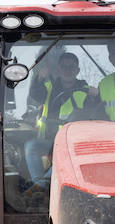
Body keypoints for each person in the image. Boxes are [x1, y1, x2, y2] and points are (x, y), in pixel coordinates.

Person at [24, 52, 99, 182]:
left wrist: (98, 96)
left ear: (78, 70)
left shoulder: (86, 91)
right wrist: (40, 78)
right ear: (58, 69)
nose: (67, 70)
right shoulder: (48, 88)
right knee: (31, 146)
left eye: (71, 67)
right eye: (64, 67)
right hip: (50, 141)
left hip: (75, 144)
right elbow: (36, 94)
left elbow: (97, 115)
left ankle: (40, 188)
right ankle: (40, 183)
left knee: (64, 157)